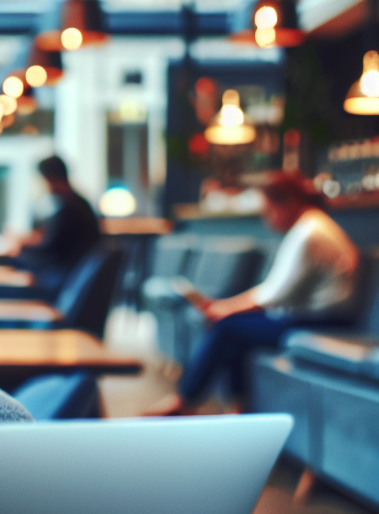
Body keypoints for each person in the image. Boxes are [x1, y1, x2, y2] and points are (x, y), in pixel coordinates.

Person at [147, 172, 358, 416]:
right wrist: (225, 307)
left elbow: (277, 295)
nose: (265, 219)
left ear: (288, 202)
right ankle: (238, 407)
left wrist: (225, 309)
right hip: (312, 317)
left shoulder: (310, 233)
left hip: (323, 322)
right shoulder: (309, 227)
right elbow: (274, 291)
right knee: (235, 332)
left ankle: (184, 400)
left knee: (227, 329)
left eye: (268, 211)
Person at [13, 156, 101, 298]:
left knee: (7, 264)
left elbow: (51, 250)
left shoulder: (70, 208)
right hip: (70, 279)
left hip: (61, 281)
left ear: (51, 179)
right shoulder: (79, 204)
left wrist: (21, 247)